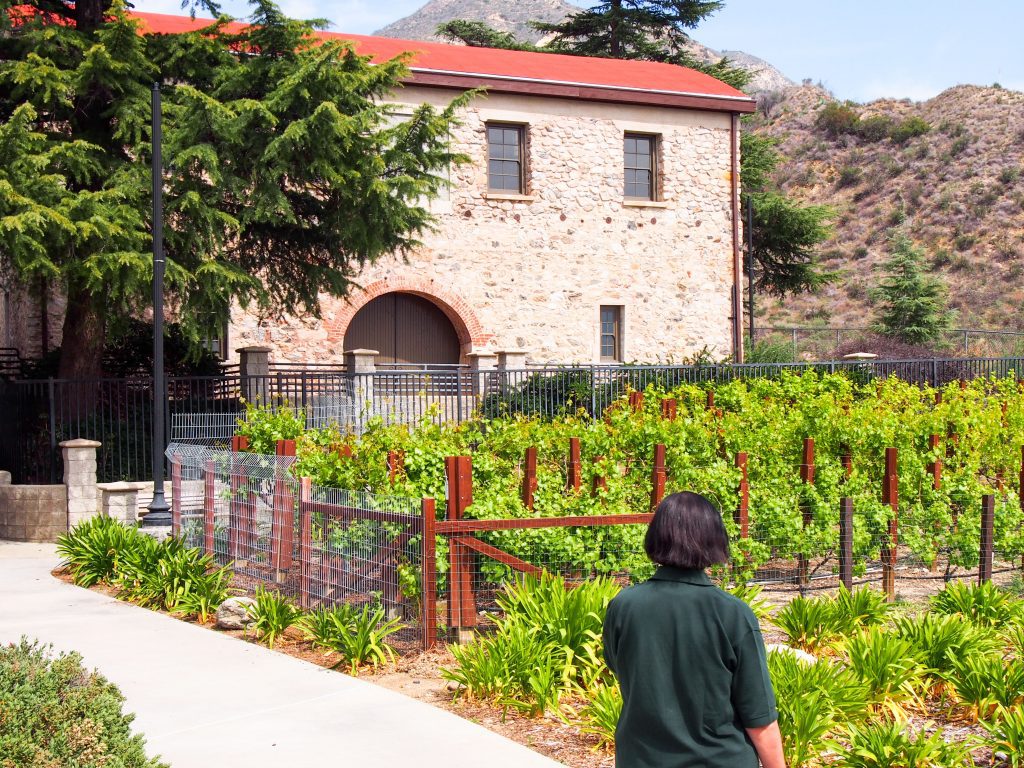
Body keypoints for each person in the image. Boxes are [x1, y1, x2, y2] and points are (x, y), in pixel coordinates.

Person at [603, 491, 786, 768]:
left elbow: (620, 669)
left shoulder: (623, 606)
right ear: (714, 538)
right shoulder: (732, 614)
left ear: (656, 536)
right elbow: (759, 717)